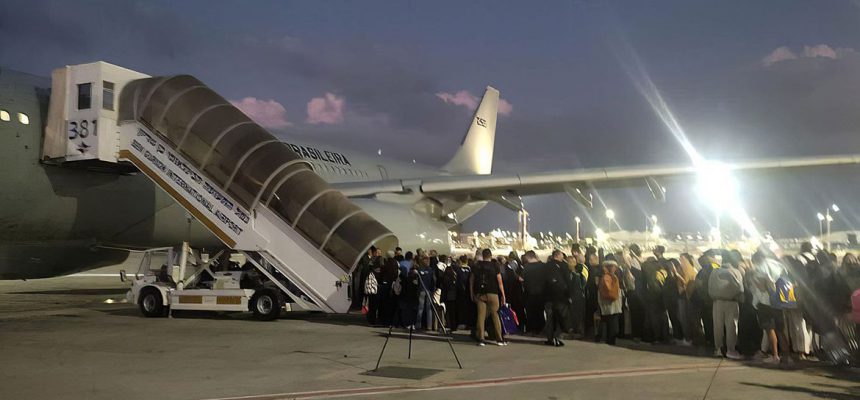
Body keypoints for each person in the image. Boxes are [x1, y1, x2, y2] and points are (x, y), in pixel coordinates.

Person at [749, 250, 789, 364]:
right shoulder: (777, 265)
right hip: (779, 302)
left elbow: (760, 288)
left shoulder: (759, 269)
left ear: (756, 259)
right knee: (781, 330)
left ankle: (775, 356)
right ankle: (787, 356)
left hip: (765, 303)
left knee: (770, 330)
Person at [708, 255, 745, 360]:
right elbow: (740, 288)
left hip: (717, 302)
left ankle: (718, 349)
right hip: (732, 302)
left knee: (717, 326)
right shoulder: (736, 272)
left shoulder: (714, 272)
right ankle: (731, 350)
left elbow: (709, 288)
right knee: (731, 326)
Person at [470, 248, 507, 346]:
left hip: (480, 293)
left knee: (481, 317)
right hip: (493, 293)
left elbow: (472, 281)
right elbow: (500, 282)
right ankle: (499, 339)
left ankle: (481, 339)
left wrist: (471, 293)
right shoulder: (495, 266)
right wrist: (503, 295)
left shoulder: (476, 265)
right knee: (495, 315)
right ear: (490, 256)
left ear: (483, 256)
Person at [544, 250, 571, 346]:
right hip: (560, 297)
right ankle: (557, 338)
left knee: (549, 318)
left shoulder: (546, 266)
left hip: (548, 297)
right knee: (559, 318)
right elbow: (568, 281)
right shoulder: (563, 266)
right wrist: (569, 295)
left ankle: (550, 338)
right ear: (559, 256)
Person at [597, 260, 623, 345]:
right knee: (612, 322)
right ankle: (611, 340)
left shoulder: (604, 276)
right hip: (612, 302)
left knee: (607, 321)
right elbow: (610, 290)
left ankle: (607, 338)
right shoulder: (610, 277)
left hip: (607, 303)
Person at [415, 255, 436, 330]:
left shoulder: (419, 270)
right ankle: (429, 326)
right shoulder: (431, 270)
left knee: (421, 308)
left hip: (422, 290)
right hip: (428, 291)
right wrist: (433, 290)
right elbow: (434, 281)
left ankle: (418, 324)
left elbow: (417, 282)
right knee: (428, 309)